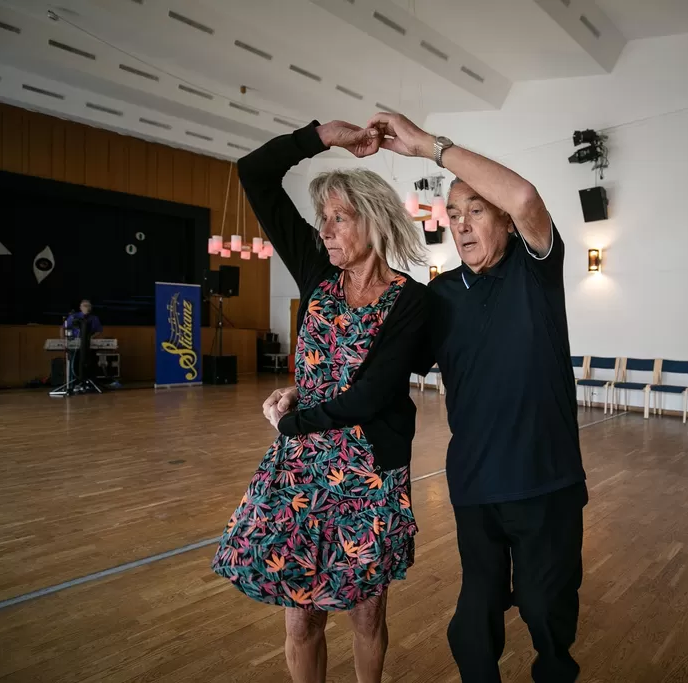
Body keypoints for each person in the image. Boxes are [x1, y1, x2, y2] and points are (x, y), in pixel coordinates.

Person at [369, 112, 588, 683]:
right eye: (453, 215)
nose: (461, 225)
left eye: (476, 211)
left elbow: (524, 195)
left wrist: (428, 147)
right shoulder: (440, 295)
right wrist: (309, 387)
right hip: (475, 486)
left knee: (546, 612)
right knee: (473, 624)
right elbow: (385, 365)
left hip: (546, 481)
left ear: (507, 223)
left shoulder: (536, 271)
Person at [211, 119, 431, 683]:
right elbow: (253, 173)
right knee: (300, 619)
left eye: (340, 218)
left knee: (367, 614)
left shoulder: (410, 301)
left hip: (368, 472)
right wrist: (323, 135)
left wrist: (295, 418)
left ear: (374, 219)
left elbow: (374, 393)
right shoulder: (316, 273)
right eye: (322, 220)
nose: (327, 231)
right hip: (304, 470)